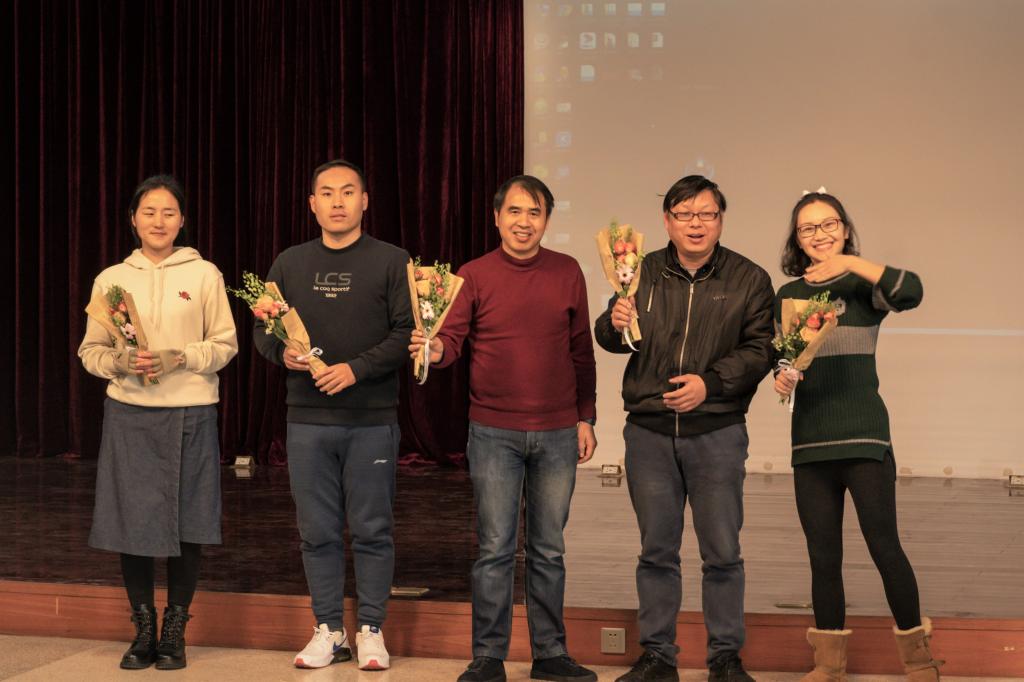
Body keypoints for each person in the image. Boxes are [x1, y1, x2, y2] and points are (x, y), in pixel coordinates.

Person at [410, 175, 598, 682]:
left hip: (558, 432)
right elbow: (451, 340)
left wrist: (586, 416)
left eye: (534, 212)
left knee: (549, 549)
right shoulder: (473, 275)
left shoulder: (567, 270)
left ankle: (550, 654)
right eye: (514, 211)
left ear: (547, 220)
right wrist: (433, 349)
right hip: (493, 431)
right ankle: (488, 656)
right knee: (494, 549)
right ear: (497, 218)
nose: (524, 222)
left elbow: (581, 349)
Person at [594, 175, 774, 682]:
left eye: (707, 214)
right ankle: (657, 656)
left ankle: (725, 658)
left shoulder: (749, 278)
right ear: (667, 220)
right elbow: (609, 337)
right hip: (649, 431)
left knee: (723, 553)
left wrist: (709, 384)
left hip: (717, 432)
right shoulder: (640, 271)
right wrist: (614, 321)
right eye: (685, 214)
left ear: (720, 219)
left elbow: (760, 349)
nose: (696, 224)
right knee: (656, 552)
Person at [253, 159, 413, 671]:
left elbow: (406, 334)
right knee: (317, 531)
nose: (338, 201)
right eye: (327, 192)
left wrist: (355, 370)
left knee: (372, 528)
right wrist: (283, 353)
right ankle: (328, 629)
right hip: (307, 421)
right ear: (312, 204)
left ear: (365, 201)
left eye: (348, 192)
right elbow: (262, 330)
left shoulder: (392, 260)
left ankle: (371, 630)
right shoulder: (289, 262)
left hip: (372, 419)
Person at [773, 189, 939, 681]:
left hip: (865, 439)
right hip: (810, 443)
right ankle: (828, 664)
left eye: (829, 224)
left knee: (885, 548)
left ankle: (919, 660)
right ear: (797, 239)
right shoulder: (787, 295)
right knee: (823, 558)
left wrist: (851, 263)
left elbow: (912, 290)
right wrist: (782, 376)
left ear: (844, 230)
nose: (819, 234)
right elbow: (782, 358)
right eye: (808, 228)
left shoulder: (864, 287)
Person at [78, 175, 238, 670]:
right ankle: (143, 629)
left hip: (191, 412)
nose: (159, 221)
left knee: (188, 522)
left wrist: (181, 357)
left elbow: (225, 344)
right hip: (129, 414)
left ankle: (175, 631)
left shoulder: (205, 274)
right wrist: (120, 363)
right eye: (149, 212)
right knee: (133, 523)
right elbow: (90, 351)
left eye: (169, 212)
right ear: (133, 219)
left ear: (182, 220)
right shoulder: (111, 279)